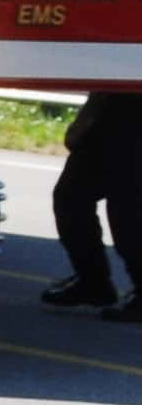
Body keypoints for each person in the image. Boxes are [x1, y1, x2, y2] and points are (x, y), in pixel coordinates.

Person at [41, 92, 142, 320]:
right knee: (70, 198)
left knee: (128, 212)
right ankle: (93, 282)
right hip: (114, 110)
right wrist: (86, 117)